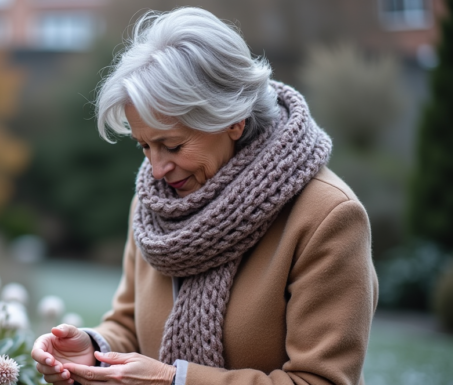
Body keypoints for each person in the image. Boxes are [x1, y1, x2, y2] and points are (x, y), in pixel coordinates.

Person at [31, 7, 378, 385]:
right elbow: (130, 321)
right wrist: (94, 351)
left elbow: (321, 380)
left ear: (233, 120)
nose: (157, 168)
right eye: (144, 146)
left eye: (173, 145)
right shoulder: (153, 205)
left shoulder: (328, 216)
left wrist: (175, 380)